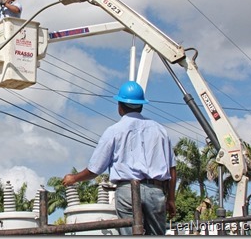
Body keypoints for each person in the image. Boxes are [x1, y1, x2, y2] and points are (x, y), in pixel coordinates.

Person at [62, 80, 177, 235]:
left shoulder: (114, 131)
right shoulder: (160, 130)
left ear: (120, 107)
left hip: (127, 191)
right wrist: (171, 199)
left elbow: (95, 169)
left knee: (129, 232)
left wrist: (74, 178)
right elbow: (172, 168)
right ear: (142, 105)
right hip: (154, 191)